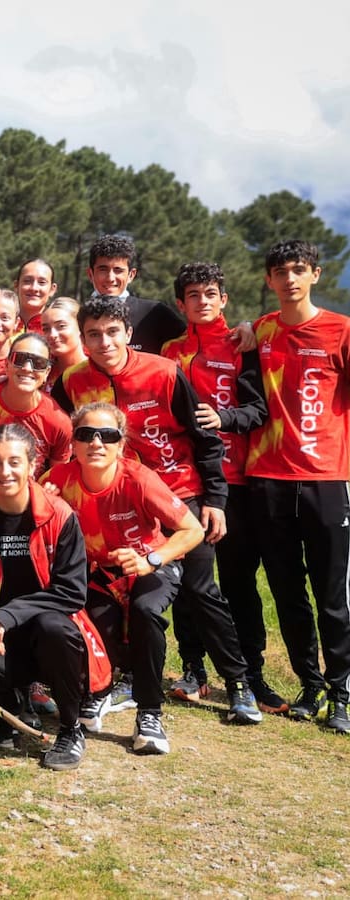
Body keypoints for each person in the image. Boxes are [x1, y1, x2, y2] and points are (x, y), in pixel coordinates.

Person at [54, 295, 259, 717]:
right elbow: (62, 437)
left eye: (112, 332)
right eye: (93, 334)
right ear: (83, 339)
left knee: (200, 590)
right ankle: (131, 676)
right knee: (123, 587)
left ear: (129, 334)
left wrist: (215, 499)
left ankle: (239, 683)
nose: (104, 342)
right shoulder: (73, 380)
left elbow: (204, 437)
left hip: (180, 494)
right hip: (119, 497)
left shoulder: (165, 372)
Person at [45, 403, 260, 758]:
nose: (96, 443)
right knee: (93, 624)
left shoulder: (139, 478)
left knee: (146, 611)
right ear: (74, 441)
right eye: (85, 435)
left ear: (121, 443)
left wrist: (149, 560)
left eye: (107, 436)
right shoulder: (58, 480)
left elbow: (191, 530)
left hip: (154, 566)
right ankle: (103, 689)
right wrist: (46, 503)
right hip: (100, 575)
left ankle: (150, 713)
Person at [161, 263, 283, 712]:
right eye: (193, 295)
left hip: (234, 483)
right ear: (181, 304)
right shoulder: (169, 350)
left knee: (236, 583)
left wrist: (223, 417)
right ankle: (193, 670)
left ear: (224, 299)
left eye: (210, 293)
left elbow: (258, 410)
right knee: (192, 582)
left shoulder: (240, 344)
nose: (203, 301)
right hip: (181, 484)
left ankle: (252, 673)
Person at [246, 240, 350, 733]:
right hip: (268, 478)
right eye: (279, 271)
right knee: (287, 592)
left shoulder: (341, 330)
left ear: (315, 274)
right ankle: (309, 686)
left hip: (326, 480)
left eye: (298, 270)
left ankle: (342, 692)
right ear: (269, 280)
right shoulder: (261, 331)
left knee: (331, 595)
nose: (289, 278)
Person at [0, 423, 89, 770]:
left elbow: (72, 591)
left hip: (49, 634)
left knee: (54, 628)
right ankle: (10, 710)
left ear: (32, 464)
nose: (5, 471)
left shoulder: (60, 515)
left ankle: (71, 728)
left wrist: (8, 615)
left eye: (15, 461)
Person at [0, 333, 72, 478]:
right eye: (19, 359)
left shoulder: (59, 422)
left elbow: (58, 477)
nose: (27, 368)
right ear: (7, 365)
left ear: (46, 373)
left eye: (38, 363)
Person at [85, 234, 185, 355]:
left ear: (131, 275)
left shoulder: (155, 313)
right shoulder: (75, 316)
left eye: (118, 270)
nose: (110, 278)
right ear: (90, 274)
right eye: (103, 269)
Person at [41, 296, 86, 389]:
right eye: (46, 329)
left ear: (80, 326)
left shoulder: (97, 370)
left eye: (61, 326)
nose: (52, 335)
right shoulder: (41, 372)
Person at [15, 258, 58, 333]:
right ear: (16, 286)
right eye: (27, 281)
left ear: (52, 289)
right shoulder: (1, 326)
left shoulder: (58, 330)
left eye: (42, 282)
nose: (34, 288)